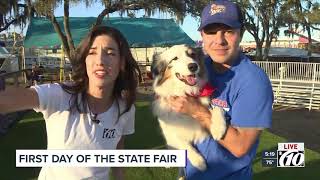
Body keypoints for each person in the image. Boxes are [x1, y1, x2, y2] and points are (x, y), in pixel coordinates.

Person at [0, 25, 140, 180]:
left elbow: (118, 146)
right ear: (85, 60)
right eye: (92, 52)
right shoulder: (59, 94)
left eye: (110, 53)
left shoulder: (125, 108)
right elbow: (8, 100)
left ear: (121, 63)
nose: (100, 60)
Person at [165, 0, 274, 179]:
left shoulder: (254, 82)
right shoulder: (200, 66)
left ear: (241, 33)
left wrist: (197, 111)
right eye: (211, 31)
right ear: (202, 34)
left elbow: (240, 146)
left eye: (229, 31)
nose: (219, 40)